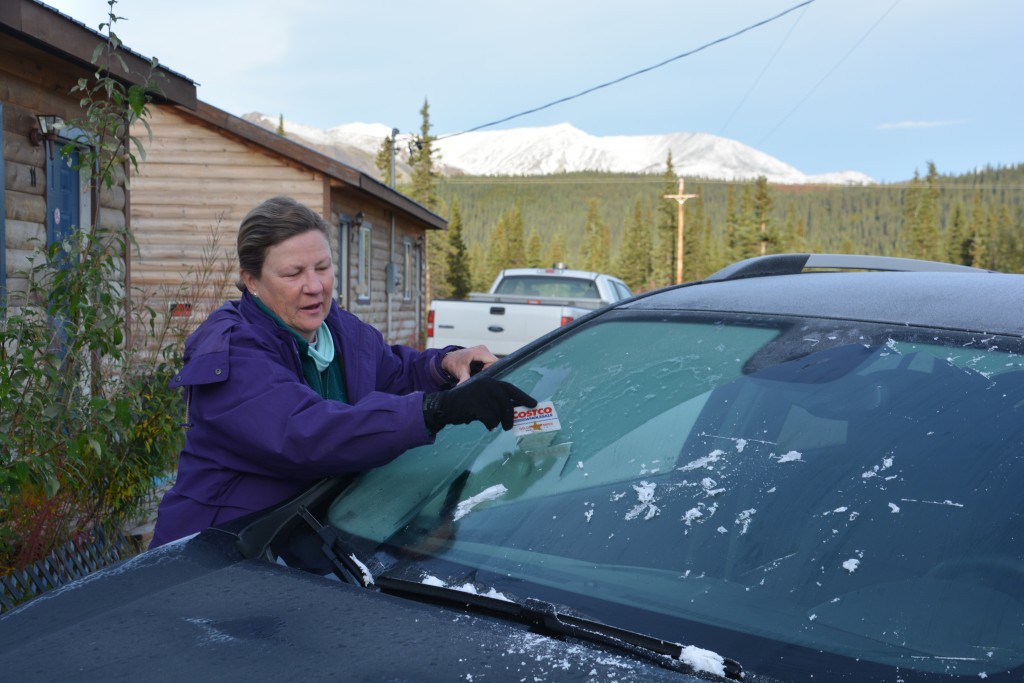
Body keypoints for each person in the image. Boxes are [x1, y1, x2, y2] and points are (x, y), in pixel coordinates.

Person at [150, 196, 536, 547]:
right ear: (251, 282)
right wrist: (436, 409)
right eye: (293, 273)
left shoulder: (336, 329)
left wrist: (445, 365)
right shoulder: (230, 352)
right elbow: (306, 433)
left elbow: (395, 373)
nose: (315, 286)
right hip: (217, 556)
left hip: (300, 541)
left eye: (322, 267)